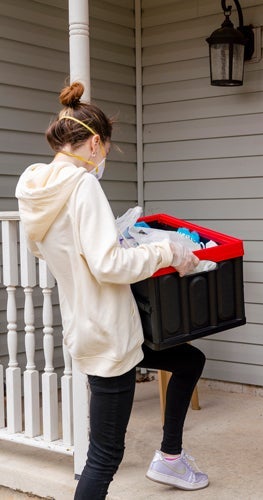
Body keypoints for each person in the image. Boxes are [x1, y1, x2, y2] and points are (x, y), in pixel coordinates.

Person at [15, 81, 209, 498]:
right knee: (104, 457)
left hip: (89, 323)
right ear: (96, 143)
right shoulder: (82, 186)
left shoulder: (38, 189)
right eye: (105, 149)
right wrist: (165, 250)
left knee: (189, 359)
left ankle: (171, 459)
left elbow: (69, 251)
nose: (102, 159)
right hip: (108, 333)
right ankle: (169, 460)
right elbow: (107, 265)